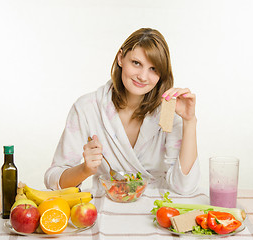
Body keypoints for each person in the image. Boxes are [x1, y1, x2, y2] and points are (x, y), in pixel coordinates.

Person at [44, 28, 200, 195]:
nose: (143, 76)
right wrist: (85, 169)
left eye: (153, 69)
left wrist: (189, 121)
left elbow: (185, 188)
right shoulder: (87, 108)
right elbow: (53, 180)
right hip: (105, 211)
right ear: (120, 58)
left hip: (156, 210)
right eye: (136, 63)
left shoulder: (169, 112)